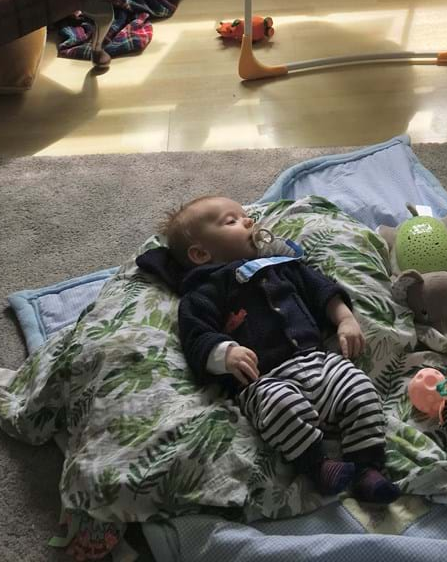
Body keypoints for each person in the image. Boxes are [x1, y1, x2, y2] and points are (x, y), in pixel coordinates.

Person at [139, 195, 399, 503]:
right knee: (277, 408)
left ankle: (368, 467)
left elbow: (321, 289)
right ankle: (317, 466)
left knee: (358, 387)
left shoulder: (282, 266)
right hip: (265, 380)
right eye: (232, 221)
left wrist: (344, 319)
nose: (248, 221)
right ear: (200, 253)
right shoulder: (203, 292)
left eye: (245, 215)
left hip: (319, 361)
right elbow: (197, 336)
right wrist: (225, 353)